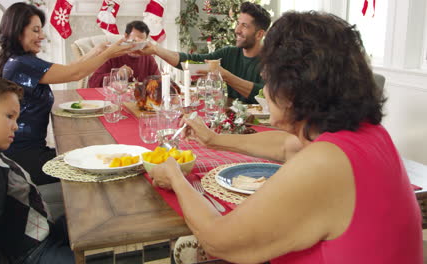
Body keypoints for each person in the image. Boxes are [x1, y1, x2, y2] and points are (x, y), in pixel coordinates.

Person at [149, 11, 422, 263]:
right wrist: (213, 140)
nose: (265, 90)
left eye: (268, 79)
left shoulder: (325, 165)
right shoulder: (367, 134)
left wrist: (175, 176)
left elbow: (218, 241)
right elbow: (286, 146)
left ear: (292, 88)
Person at [0, 3, 133, 185]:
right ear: (17, 31)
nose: (42, 36)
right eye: (36, 30)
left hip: (29, 150)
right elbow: (74, 74)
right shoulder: (21, 64)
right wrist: (108, 54)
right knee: (96, 165)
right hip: (23, 158)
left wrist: (96, 52)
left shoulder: (19, 61)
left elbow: (69, 69)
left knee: (89, 155)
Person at [0, 74, 74, 264]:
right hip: (34, 252)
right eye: (9, 117)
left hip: (44, 231)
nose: (16, 127)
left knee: (90, 220)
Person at [138, 1, 271, 104]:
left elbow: (266, 95)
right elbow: (189, 60)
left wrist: (225, 76)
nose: (237, 30)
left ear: (259, 34)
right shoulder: (229, 53)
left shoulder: (273, 61)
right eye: (238, 23)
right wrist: (156, 49)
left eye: (245, 26)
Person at [88, 20, 161, 88]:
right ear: (126, 37)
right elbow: (92, 83)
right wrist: (116, 75)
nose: (137, 46)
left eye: (141, 42)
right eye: (134, 41)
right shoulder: (113, 54)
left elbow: (160, 83)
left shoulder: (149, 58)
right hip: (115, 99)